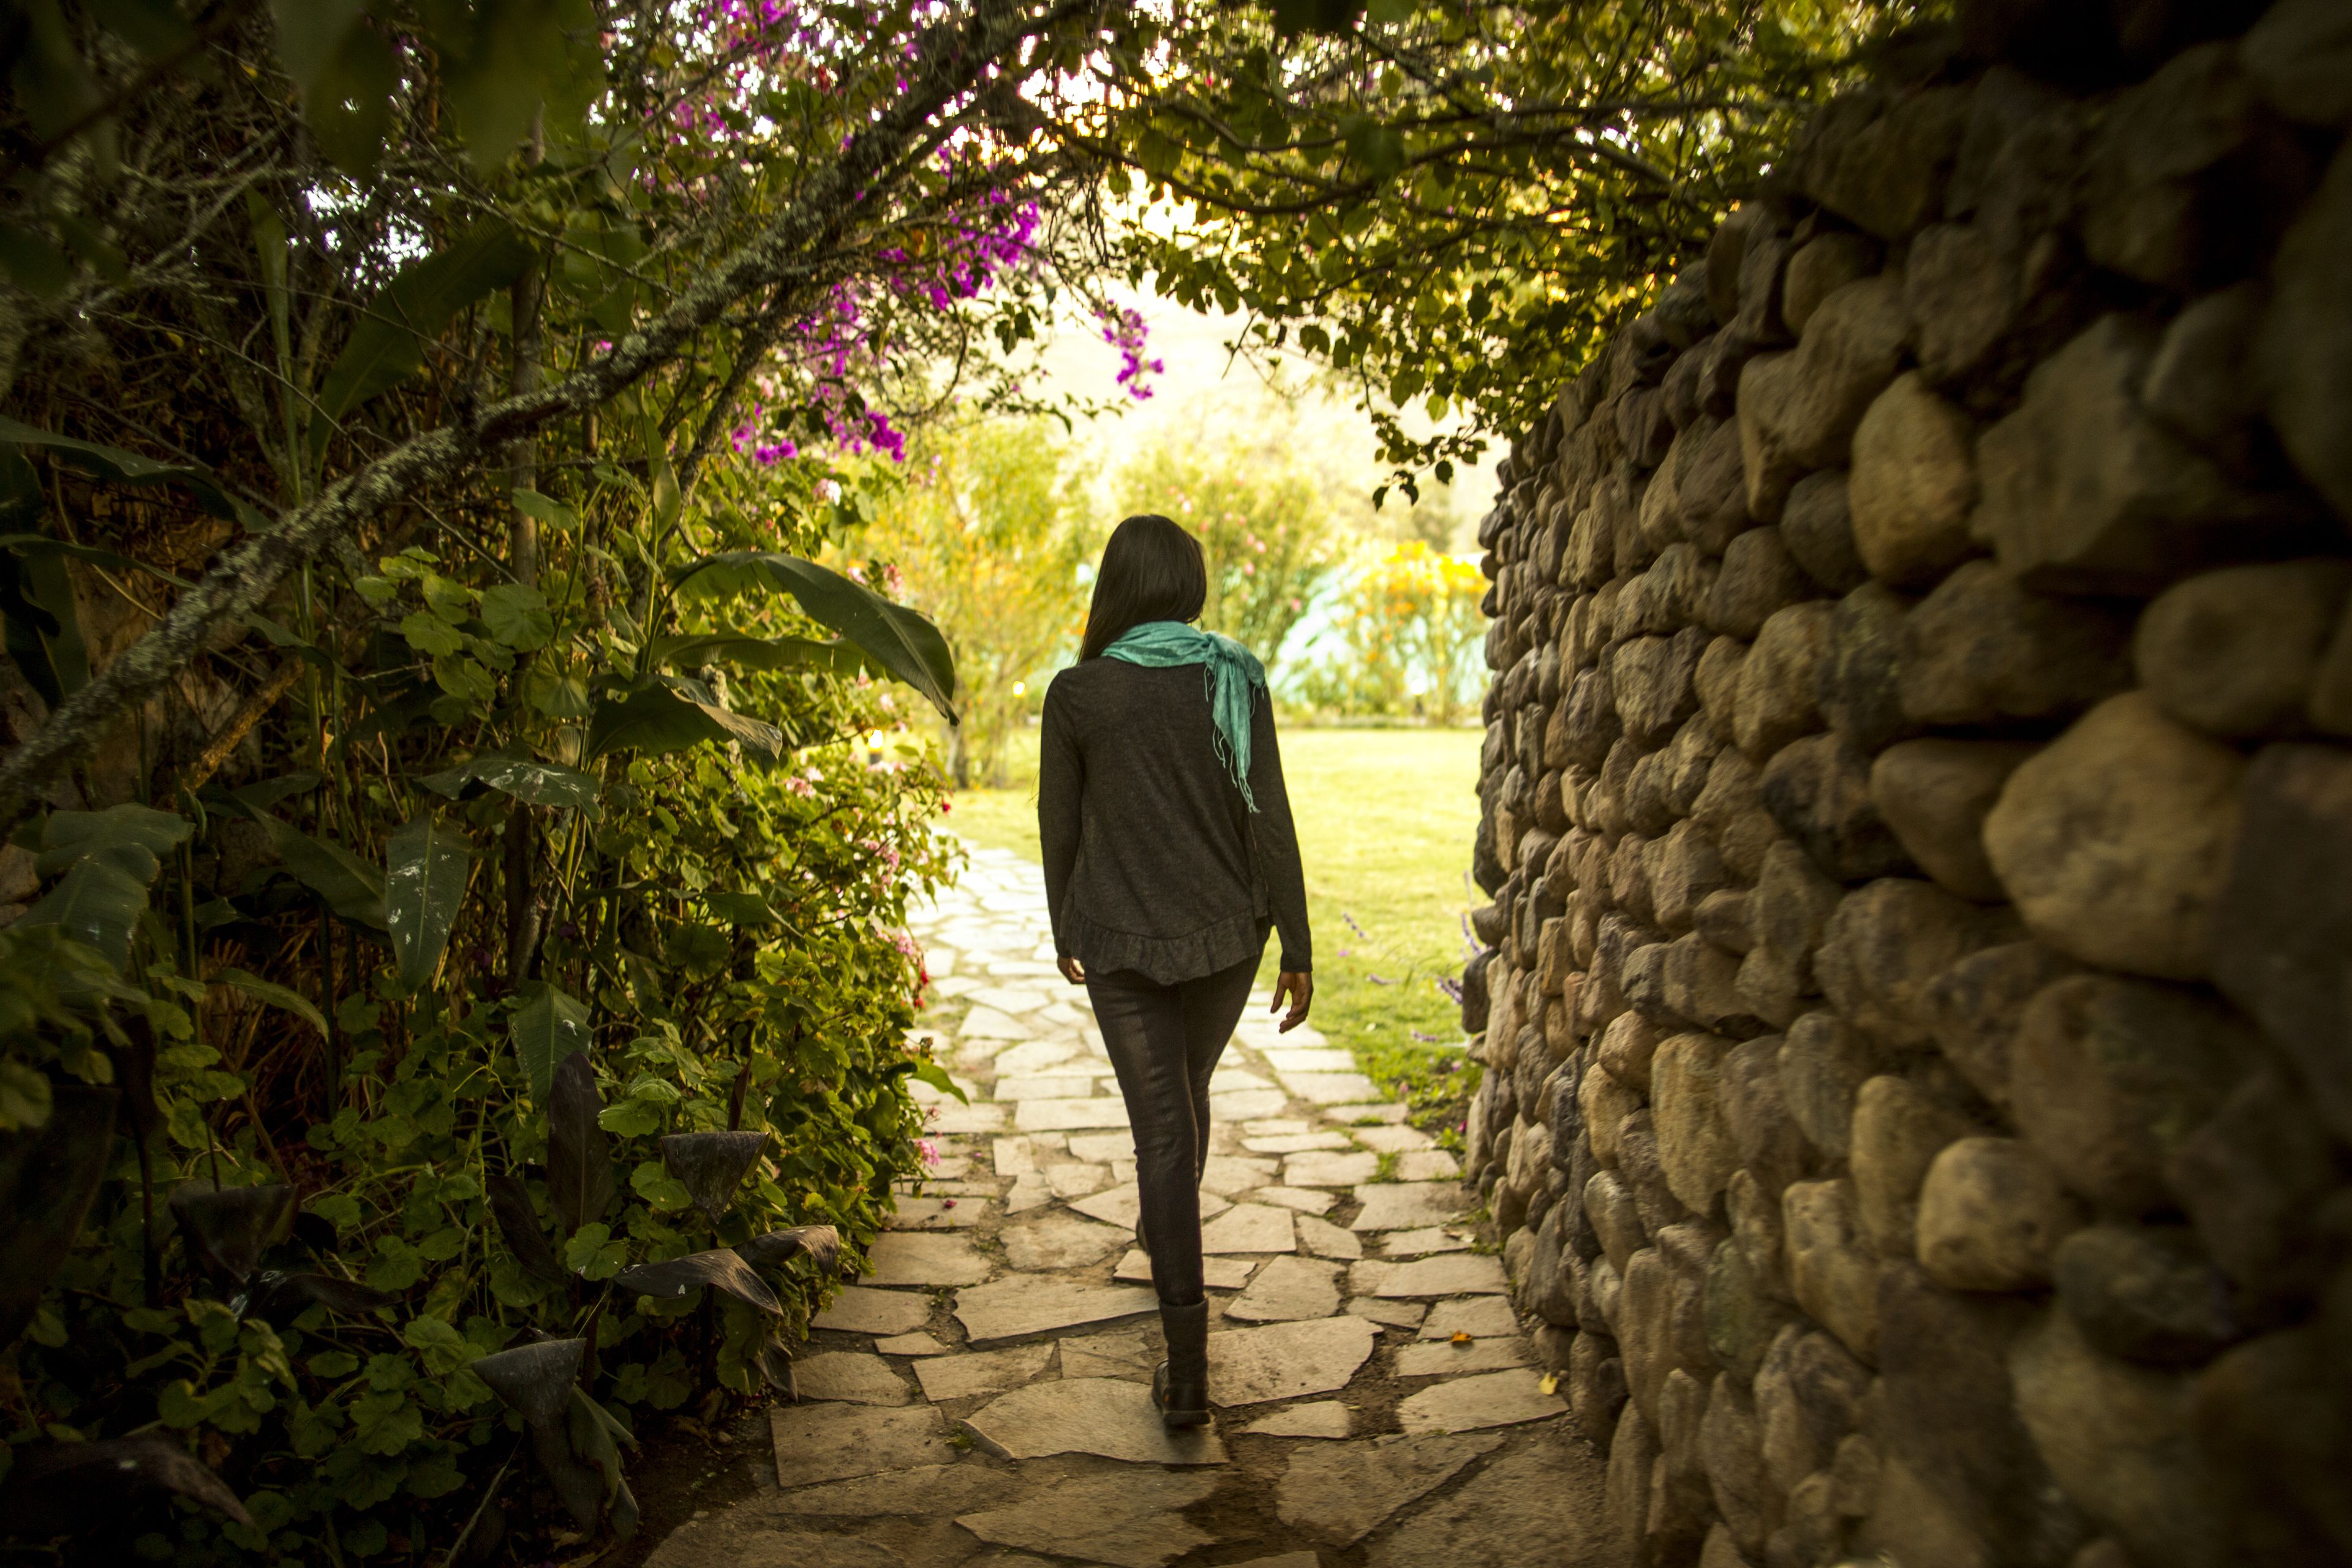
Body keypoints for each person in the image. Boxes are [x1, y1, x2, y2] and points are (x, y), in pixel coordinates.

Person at [1038, 513, 1313, 1431]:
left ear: (1117, 586)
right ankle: (1174, 1270)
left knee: (1165, 1124)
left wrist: (1061, 925)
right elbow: (1268, 814)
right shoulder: (1232, 678)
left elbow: (1059, 829)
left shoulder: (1078, 693)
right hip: (1227, 940)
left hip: (1119, 942)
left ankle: (1189, 1370)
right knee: (1180, 1105)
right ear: (1185, 585)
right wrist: (1298, 947)